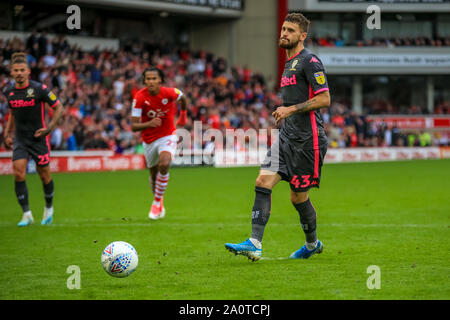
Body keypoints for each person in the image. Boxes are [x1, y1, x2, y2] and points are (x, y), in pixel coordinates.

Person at [225, 12, 331, 261]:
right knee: (263, 181)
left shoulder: (310, 61)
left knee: (298, 197)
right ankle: (254, 243)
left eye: (291, 30)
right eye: (283, 28)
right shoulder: (288, 63)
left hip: (308, 141)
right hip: (286, 137)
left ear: (303, 36)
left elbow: (325, 99)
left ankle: (312, 243)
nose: (284, 33)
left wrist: (290, 109)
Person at [3, 52, 65, 227]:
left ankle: (48, 208)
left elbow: (59, 107)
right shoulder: (9, 91)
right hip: (20, 139)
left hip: (39, 139)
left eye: (22, 69)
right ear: (12, 72)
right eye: (16, 70)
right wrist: (7, 134)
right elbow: (13, 113)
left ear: (28, 71)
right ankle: (27, 214)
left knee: (44, 176)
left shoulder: (40, 89)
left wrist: (49, 129)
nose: (20, 73)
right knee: (18, 172)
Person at [131, 67, 188, 220]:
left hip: (167, 134)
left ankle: (156, 203)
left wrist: (182, 115)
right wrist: (149, 123)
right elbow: (133, 126)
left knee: (164, 163)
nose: (151, 81)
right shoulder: (139, 97)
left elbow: (183, 98)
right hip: (149, 139)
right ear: (144, 81)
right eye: (148, 79)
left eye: (154, 78)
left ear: (160, 80)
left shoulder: (170, 93)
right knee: (153, 174)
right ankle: (159, 198)